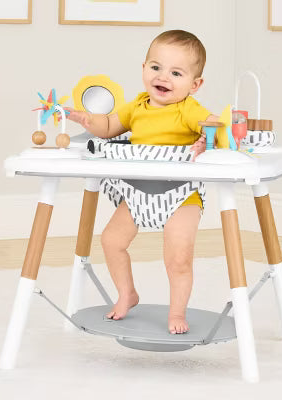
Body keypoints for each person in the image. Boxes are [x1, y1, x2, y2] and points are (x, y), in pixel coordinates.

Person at [65, 30, 219, 334]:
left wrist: (208, 135)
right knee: (111, 241)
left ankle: (177, 312)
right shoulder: (136, 106)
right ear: (144, 67)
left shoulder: (187, 109)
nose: (163, 77)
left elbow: (212, 122)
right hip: (137, 192)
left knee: (178, 257)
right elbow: (109, 126)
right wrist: (86, 119)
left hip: (180, 194)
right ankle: (127, 293)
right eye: (156, 67)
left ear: (195, 85)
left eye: (176, 73)